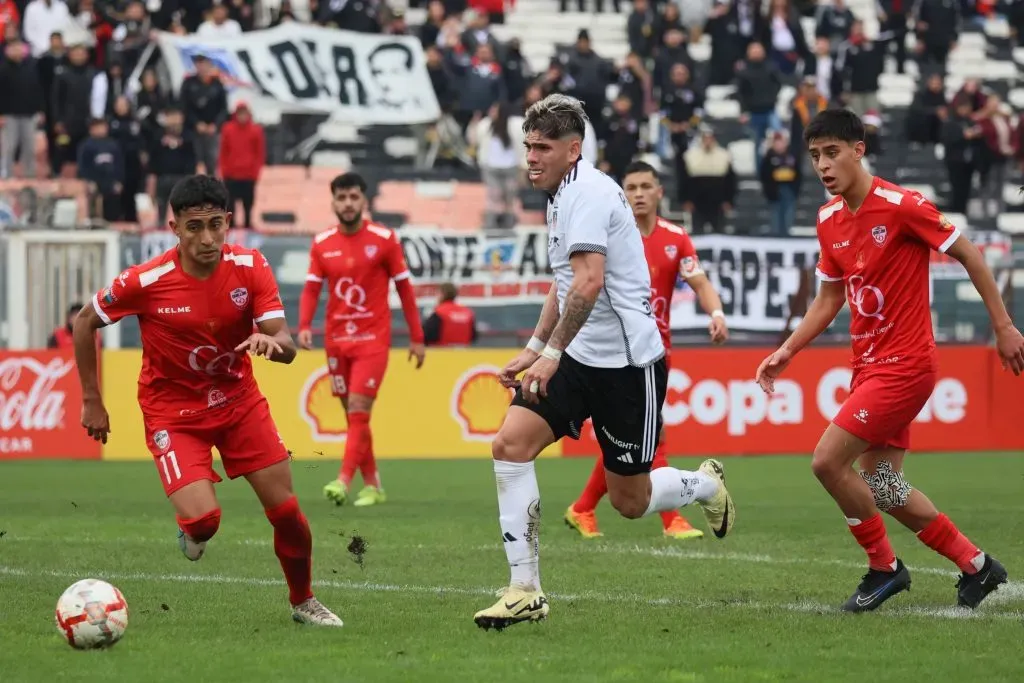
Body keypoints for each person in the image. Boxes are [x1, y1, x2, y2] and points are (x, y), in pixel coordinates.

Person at [473, 95, 736, 631]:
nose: (531, 157)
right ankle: (525, 589)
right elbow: (564, 284)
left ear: (573, 150)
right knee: (510, 445)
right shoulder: (559, 194)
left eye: (542, 147)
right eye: (527, 146)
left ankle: (706, 485)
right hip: (577, 357)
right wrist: (536, 346)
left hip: (627, 365)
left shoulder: (588, 193)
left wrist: (549, 355)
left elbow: (590, 284)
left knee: (630, 502)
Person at [755, 109, 1022, 613]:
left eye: (832, 152)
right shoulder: (827, 219)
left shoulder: (902, 206)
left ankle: (885, 568)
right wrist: (788, 349)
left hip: (906, 365)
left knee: (827, 461)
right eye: (815, 156)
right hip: (868, 365)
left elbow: (970, 253)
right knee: (883, 485)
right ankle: (978, 565)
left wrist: (1003, 326)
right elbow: (829, 298)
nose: (823, 166)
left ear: (859, 150)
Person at [72, 175, 342, 627]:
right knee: (204, 523)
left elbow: (287, 342)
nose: (207, 238)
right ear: (174, 226)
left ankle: (304, 601)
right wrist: (91, 399)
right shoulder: (147, 279)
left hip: (239, 402)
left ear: (229, 222)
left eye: (216, 225)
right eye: (195, 227)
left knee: (288, 512)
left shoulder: (251, 266)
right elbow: (84, 322)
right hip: (172, 413)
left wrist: (271, 342)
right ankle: (189, 529)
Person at [565, 160, 729, 541]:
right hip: (612, 352)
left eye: (645, 186)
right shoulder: (609, 236)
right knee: (647, 437)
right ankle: (671, 519)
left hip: (654, 353)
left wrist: (716, 312)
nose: (638, 194)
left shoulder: (675, 238)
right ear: (622, 194)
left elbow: (700, 281)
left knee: (628, 439)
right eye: (631, 187)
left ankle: (583, 508)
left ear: (659, 193)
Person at [298, 172, 426, 508]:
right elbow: (312, 288)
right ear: (333, 203)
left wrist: (417, 336)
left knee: (357, 410)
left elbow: (404, 288)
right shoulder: (322, 243)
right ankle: (373, 485)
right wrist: (304, 325)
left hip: (372, 339)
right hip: (337, 341)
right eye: (342, 198)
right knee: (355, 417)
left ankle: (342, 480)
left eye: (354, 197)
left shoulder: (384, 238)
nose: (348, 204)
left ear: (364, 200)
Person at [423, 282, 478, 346]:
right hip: (463, 352)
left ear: (442, 294)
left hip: (441, 353)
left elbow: (427, 335)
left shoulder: (439, 312)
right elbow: (473, 336)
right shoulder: (467, 312)